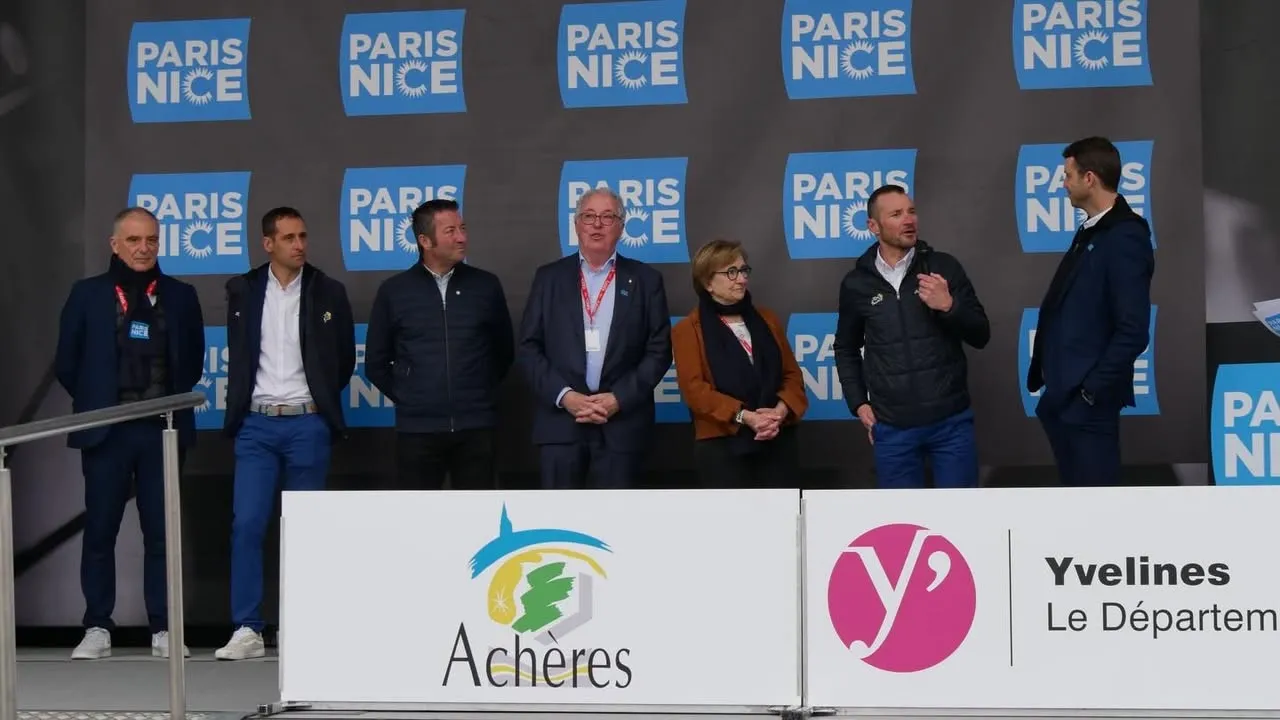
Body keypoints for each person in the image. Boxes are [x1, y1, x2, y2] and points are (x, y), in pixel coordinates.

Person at [55, 207, 204, 660]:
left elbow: (192, 363)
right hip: (108, 432)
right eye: (135, 240)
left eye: (151, 240)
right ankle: (97, 625)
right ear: (115, 244)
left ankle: (163, 627)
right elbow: (67, 363)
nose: (144, 248)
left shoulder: (181, 295)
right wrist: (98, 402)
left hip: (162, 430)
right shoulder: (87, 294)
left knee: (161, 533)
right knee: (100, 530)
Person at [215, 207, 356, 660]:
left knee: (306, 530)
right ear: (268, 243)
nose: (299, 245)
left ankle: (303, 625)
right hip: (256, 424)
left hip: (307, 422)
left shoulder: (328, 290)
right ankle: (247, 628)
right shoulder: (242, 289)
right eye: (289, 237)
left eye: (303, 236)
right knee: (247, 524)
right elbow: (240, 355)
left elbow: (343, 360)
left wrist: (316, 402)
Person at [832, 185, 990, 489]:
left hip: (951, 424)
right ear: (873, 226)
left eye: (911, 211)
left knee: (962, 514)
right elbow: (846, 348)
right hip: (893, 429)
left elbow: (981, 334)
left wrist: (949, 306)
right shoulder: (856, 284)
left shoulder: (943, 267)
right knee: (901, 517)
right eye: (896, 214)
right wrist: (858, 403)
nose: (909, 220)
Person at [518, 187, 672, 488]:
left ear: (621, 226)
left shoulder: (646, 280)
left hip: (621, 426)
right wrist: (566, 396)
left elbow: (659, 350)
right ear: (577, 224)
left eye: (607, 217)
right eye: (588, 216)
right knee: (559, 516)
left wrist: (619, 398)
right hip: (561, 426)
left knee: (617, 517)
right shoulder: (548, 278)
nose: (597, 225)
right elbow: (529, 347)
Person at [1027, 137, 1155, 487]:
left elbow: (1133, 330)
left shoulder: (1125, 236)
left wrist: (1090, 392)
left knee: (1097, 506)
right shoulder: (1092, 230)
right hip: (1064, 400)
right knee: (1076, 502)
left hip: (1088, 405)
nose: (1063, 183)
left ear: (1089, 178)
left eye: (1068, 175)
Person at [366, 199, 514, 489]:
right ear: (424, 241)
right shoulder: (394, 291)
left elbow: (503, 352)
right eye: (450, 231)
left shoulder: (486, 286)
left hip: (476, 428)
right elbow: (376, 362)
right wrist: (412, 397)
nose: (461, 237)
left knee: (477, 514)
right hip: (417, 431)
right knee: (419, 514)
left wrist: (476, 392)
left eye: (463, 228)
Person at [672, 239, 808, 487]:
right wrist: (745, 416)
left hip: (776, 438)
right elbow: (695, 391)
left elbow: (792, 375)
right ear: (707, 283)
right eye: (731, 272)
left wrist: (778, 412)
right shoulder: (688, 329)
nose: (742, 279)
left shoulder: (767, 319)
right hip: (722, 446)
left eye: (744, 270)